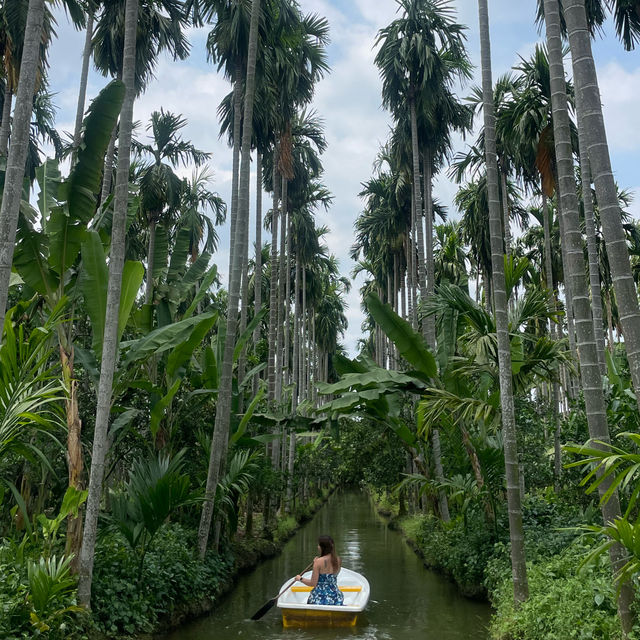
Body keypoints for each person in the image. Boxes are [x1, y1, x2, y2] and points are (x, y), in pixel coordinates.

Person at [295, 535, 344, 605]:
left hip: (319, 598)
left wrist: (300, 578)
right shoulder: (338, 560)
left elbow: (313, 583)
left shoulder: (318, 562)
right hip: (335, 597)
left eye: (318, 545)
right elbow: (333, 576)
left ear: (323, 547)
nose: (317, 547)